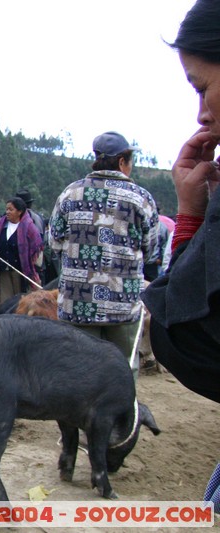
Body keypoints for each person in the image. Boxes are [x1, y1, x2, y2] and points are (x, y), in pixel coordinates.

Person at [140, 0, 220, 511]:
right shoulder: (140, 201)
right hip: (123, 303)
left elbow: (184, 332)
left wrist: (193, 218)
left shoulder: (66, 201)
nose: (201, 112)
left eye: (202, 87)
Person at [50, 131, 158, 379]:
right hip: (122, 305)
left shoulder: (70, 194)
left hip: (77, 305)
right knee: (121, 375)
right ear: (122, 162)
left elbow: (54, 243)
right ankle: (122, 417)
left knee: (78, 373)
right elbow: (150, 250)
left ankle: (77, 418)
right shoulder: (141, 198)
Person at [0, 196, 43, 304]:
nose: (7, 212)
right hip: (3, 272)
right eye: (7, 209)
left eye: (11, 209)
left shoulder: (29, 228)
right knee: (5, 302)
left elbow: (36, 248)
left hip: (21, 272)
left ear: (19, 211)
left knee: (20, 302)